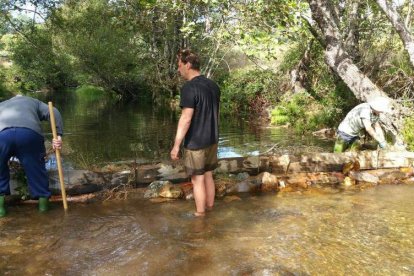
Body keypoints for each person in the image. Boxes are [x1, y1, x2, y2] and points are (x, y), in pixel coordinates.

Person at [170, 49, 220, 217]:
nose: (178, 69)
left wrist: (176, 145)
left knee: (197, 180)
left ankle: (200, 217)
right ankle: (210, 210)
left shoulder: (189, 88)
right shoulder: (213, 86)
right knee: (208, 175)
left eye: (179, 65)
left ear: (188, 65)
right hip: (212, 139)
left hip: (196, 142)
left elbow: (186, 118)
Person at [0, 95, 63, 217]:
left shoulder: (2, 104)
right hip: (29, 135)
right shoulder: (34, 102)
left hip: (2, 136)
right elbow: (53, 111)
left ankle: (1, 212)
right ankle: (43, 211)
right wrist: (58, 135)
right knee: (36, 170)